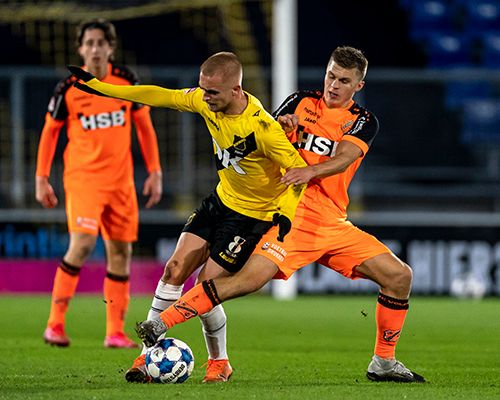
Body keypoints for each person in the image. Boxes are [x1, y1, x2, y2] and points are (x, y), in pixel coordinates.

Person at [130, 46, 426, 383]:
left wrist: (309, 172)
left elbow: (344, 157)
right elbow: (264, 137)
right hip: (291, 215)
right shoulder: (299, 101)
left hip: (332, 221)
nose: (333, 85)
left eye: (344, 80)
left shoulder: (363, 120)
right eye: (331, 75)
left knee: (400, 276)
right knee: (246, 282)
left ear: (358, 86)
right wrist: (283, 126)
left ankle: (383, 363)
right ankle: (162, 324)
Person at [68, 51, 307, 382]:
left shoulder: (264, 128)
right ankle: (144, 358)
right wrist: (102, 88)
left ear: (236, 90)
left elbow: (299, 172)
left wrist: (286, 214)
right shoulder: (203, 101)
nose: (205, 98)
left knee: (204, 289)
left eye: (212, 93)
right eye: (202, 90)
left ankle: (219, 361)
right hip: (220, 201)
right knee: (173, 269)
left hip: (251, 217)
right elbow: (158, 95)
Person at [36, 18, 163, 349]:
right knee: (81, 245)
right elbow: (49, 133)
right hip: (83, 180)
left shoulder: (126, 81)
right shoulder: (68, 88)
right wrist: (41, 178)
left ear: (110, 48)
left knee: (121, 253)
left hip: (121, 183)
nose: (94, 49)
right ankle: (54, 324)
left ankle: (115, 333)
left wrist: (154, 170)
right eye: (88, 43)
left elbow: (145, 127)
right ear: (80, 49)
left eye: (100, 43)